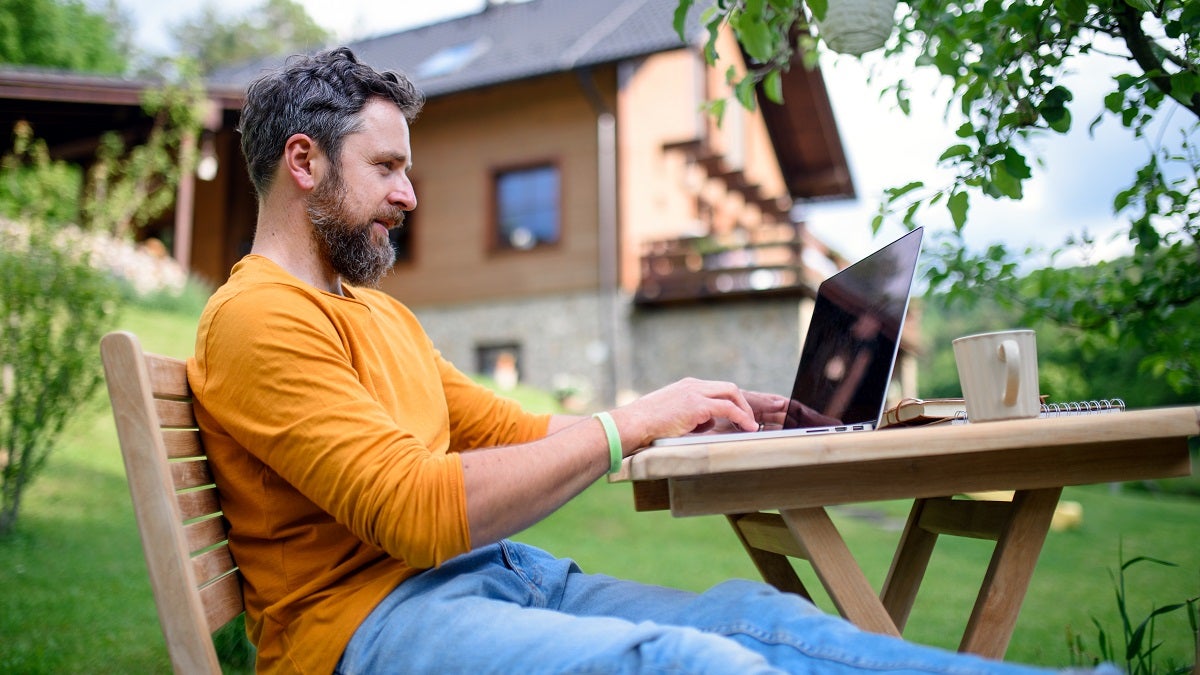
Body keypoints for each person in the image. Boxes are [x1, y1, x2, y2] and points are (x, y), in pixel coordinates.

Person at [187, 47, 1117, 675]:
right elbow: (417, 512)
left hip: (502, 575)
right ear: (303, 162)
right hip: (365, 627)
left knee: (770, 623)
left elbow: (512, 431)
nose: (411, 193)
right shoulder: (257, 319)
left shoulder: (376, 315)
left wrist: (676, 407)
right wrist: (627, 427)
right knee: (701, 665)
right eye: (387, 167)